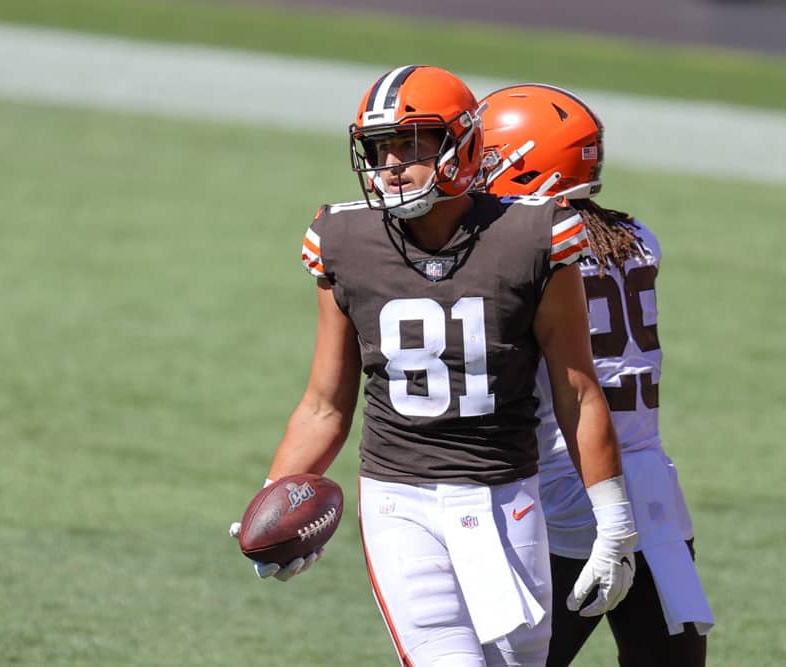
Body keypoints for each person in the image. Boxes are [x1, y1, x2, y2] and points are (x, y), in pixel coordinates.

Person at [233, 66, 640, 666]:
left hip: (507, 499)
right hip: (401, 502)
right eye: (379, 148)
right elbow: (324, 404)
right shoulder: (343, 240)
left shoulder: (533, 235)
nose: (392, 163)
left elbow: (577, 391)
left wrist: (616, 523)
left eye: (412, 142)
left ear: (465, 142)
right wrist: (276, 498)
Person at [478, 84, 715, 666]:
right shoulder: (637, 239)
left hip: (566, 488)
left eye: (483, 156)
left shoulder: (523, 255)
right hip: (655, 491)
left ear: (520, 163)